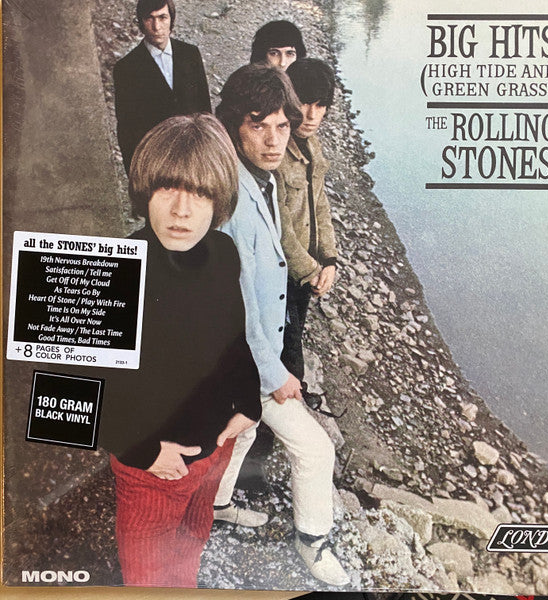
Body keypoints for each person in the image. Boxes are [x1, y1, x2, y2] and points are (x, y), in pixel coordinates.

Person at [100, 113, 261, 587]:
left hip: (214, 454)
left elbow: (234, 339)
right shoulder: (113, 271)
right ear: (145, 191)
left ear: (219, 200)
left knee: (192, 543)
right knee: (149, 581)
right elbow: (63, 399)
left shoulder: (223, 254)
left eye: (200, 193)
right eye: (168, 188)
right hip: (154, 472)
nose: (181, 211)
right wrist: (142, 450)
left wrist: (248, 402)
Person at [213, 64, 350, 587]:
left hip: (254, 355)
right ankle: (314, 543)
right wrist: (274, 375)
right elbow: (238, 305)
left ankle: (218, 504)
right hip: (244, 361)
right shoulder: (233, 201)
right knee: (316, 449)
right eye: (258, 125)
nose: (274, 141)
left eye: (282, 127)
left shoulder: (262, 179)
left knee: (243, 433)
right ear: (235, 126)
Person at [276, 58, 338, 384]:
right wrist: (311, 270)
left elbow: (320, 204)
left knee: (294, 336)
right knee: (287, 355)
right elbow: (280, 225)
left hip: (306, 272)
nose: (312, 115)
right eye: (305, 103)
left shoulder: (313, 145)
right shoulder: (276, 150)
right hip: (284, 273)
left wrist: (329, 259)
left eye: (320, 106)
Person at [113, 0, 212, 173]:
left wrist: (209, 154)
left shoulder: (190, 54)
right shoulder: (126, 68)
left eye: (162, 17)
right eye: (149, 18)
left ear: (171, 19)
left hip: (194, 156)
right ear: (141, 22)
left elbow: (205, 109)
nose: (156, 26)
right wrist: (135, 174)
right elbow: (126, 129)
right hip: (156, 163)